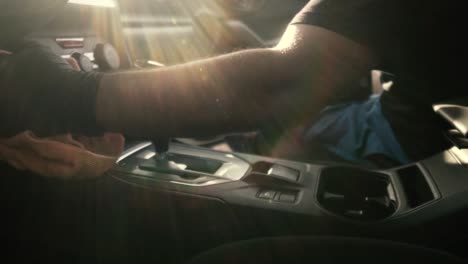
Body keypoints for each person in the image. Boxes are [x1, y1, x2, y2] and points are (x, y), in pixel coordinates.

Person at [0, 0, 463, 175]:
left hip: (410, 141)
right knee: (239, 39)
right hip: (420, 121)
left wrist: (67, 95)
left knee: (273, 106)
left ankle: (249, 137)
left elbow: (277, 86)